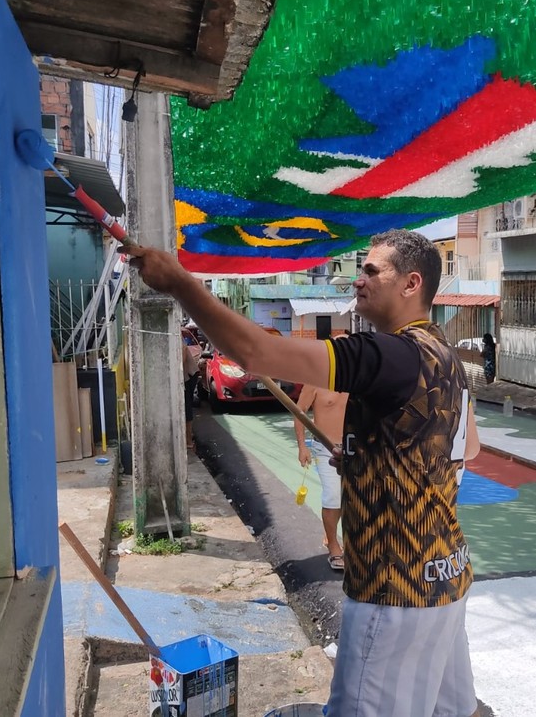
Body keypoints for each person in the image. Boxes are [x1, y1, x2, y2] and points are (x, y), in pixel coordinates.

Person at [122, 228, 481, 717]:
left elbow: (258, 355)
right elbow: (454, 450)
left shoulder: (386, 354)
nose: (358, 281)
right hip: (446, 576)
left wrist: (181, 284)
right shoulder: (446, 358)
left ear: (411, 283)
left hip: (393, 586)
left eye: (372, 271)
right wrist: (366, 459)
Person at [294, 374, 348, 571]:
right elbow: (299, 412)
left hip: (355, 448)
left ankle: (335, 536)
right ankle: (334, 547)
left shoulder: (359, 378)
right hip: (326, 448)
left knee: (350, 497)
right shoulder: (316, 380)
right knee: (333, 496)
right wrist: (302, 446)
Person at [181, 330, 200, 451]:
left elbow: (183, 350)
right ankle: (188, 436)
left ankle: (188, 440)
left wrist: (178, 370)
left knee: (186, 405)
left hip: (189, 374)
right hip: (186, 373)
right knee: (184, 405)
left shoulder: (174, 333)